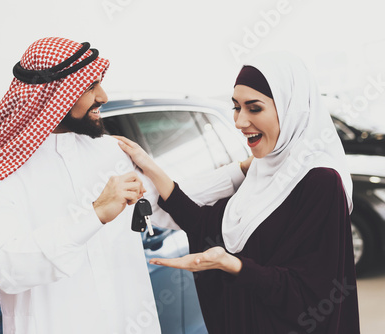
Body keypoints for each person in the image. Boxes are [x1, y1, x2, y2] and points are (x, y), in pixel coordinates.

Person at [0, 37, 252, 334]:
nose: (103, 96)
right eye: (91, 86)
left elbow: (168, 202)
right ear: (54, 94)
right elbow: (9, 268)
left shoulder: (109, 150)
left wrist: (241, 170)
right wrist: (93, 215)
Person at [116, 52, 360, 333]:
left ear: (291, 108)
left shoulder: (321, 181)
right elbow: (204, 224)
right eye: (236, 107)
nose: (240, 121)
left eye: (254, 108)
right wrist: (153, 170)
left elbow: (311, 293)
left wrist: (235, 266)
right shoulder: (262, 171)